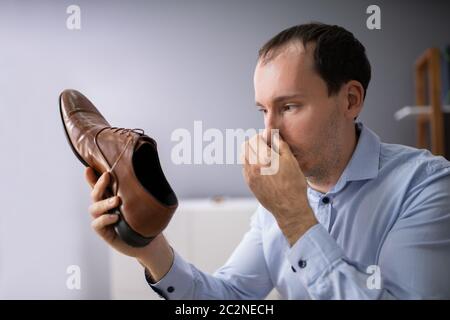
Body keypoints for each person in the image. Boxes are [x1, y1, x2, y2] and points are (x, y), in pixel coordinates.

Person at [85, 23, 450, 299]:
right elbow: (230, 298)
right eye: (263, 110)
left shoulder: (426, 185)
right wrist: (151, 249)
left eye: (289, 106)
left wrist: (295, 219)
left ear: (350, 100)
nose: (269, 131)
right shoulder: (277, 201)